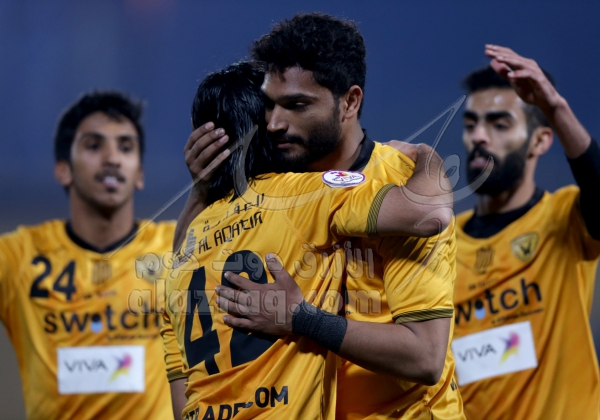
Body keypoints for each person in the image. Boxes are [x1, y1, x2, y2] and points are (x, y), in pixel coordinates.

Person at [174, 13, 464, 420]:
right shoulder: (273, 185)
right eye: (270, 106)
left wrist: (302, 319)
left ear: (350, 102)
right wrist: (202, 190)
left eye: (297, 105)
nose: (276, 124)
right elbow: (182, 268)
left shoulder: (401, 183)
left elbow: (425, 357)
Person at [0, 91, 175, 419]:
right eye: (94, 146)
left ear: (139, 174)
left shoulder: (178, 247)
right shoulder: (17, 257)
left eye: (126, 147)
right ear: (63, 170)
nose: (112, 158)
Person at [451, 45, 600, 419]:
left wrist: (555, 108)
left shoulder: (565, 218)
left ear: (541, 140)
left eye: (499, 124)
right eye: (471, 124)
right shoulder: (441, 244)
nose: (479, 136)